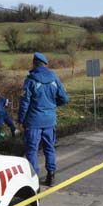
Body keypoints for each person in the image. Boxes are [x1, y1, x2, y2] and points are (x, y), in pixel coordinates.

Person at [18, 52, 68, 186]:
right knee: (49, 148)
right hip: (50, 120)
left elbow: (24, 103)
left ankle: (34, 178)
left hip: (33, 121)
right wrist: (52, 106)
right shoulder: (54, 79)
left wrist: (20, 120)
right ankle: (51, 175)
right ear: (45, 65)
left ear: (34, 64)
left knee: (32, 150)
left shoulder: (30, 80)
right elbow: (64, 98)